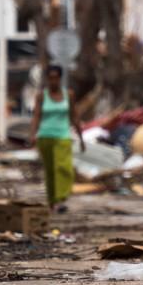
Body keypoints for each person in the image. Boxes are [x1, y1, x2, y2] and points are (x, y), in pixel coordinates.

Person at [30, 64, 85, 213]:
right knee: (50, 171)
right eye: (50, 78)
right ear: (47, 79)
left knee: (64, 168)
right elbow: (36, 116)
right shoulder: (42, 96)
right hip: (45, 136)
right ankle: (52, 201)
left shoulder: (69, 95)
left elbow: (74, 116)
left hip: (63, 136)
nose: (53, 81)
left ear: (60, 79)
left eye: (56, 78)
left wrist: (81, 138)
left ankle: (61, 199)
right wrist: (33, 134)